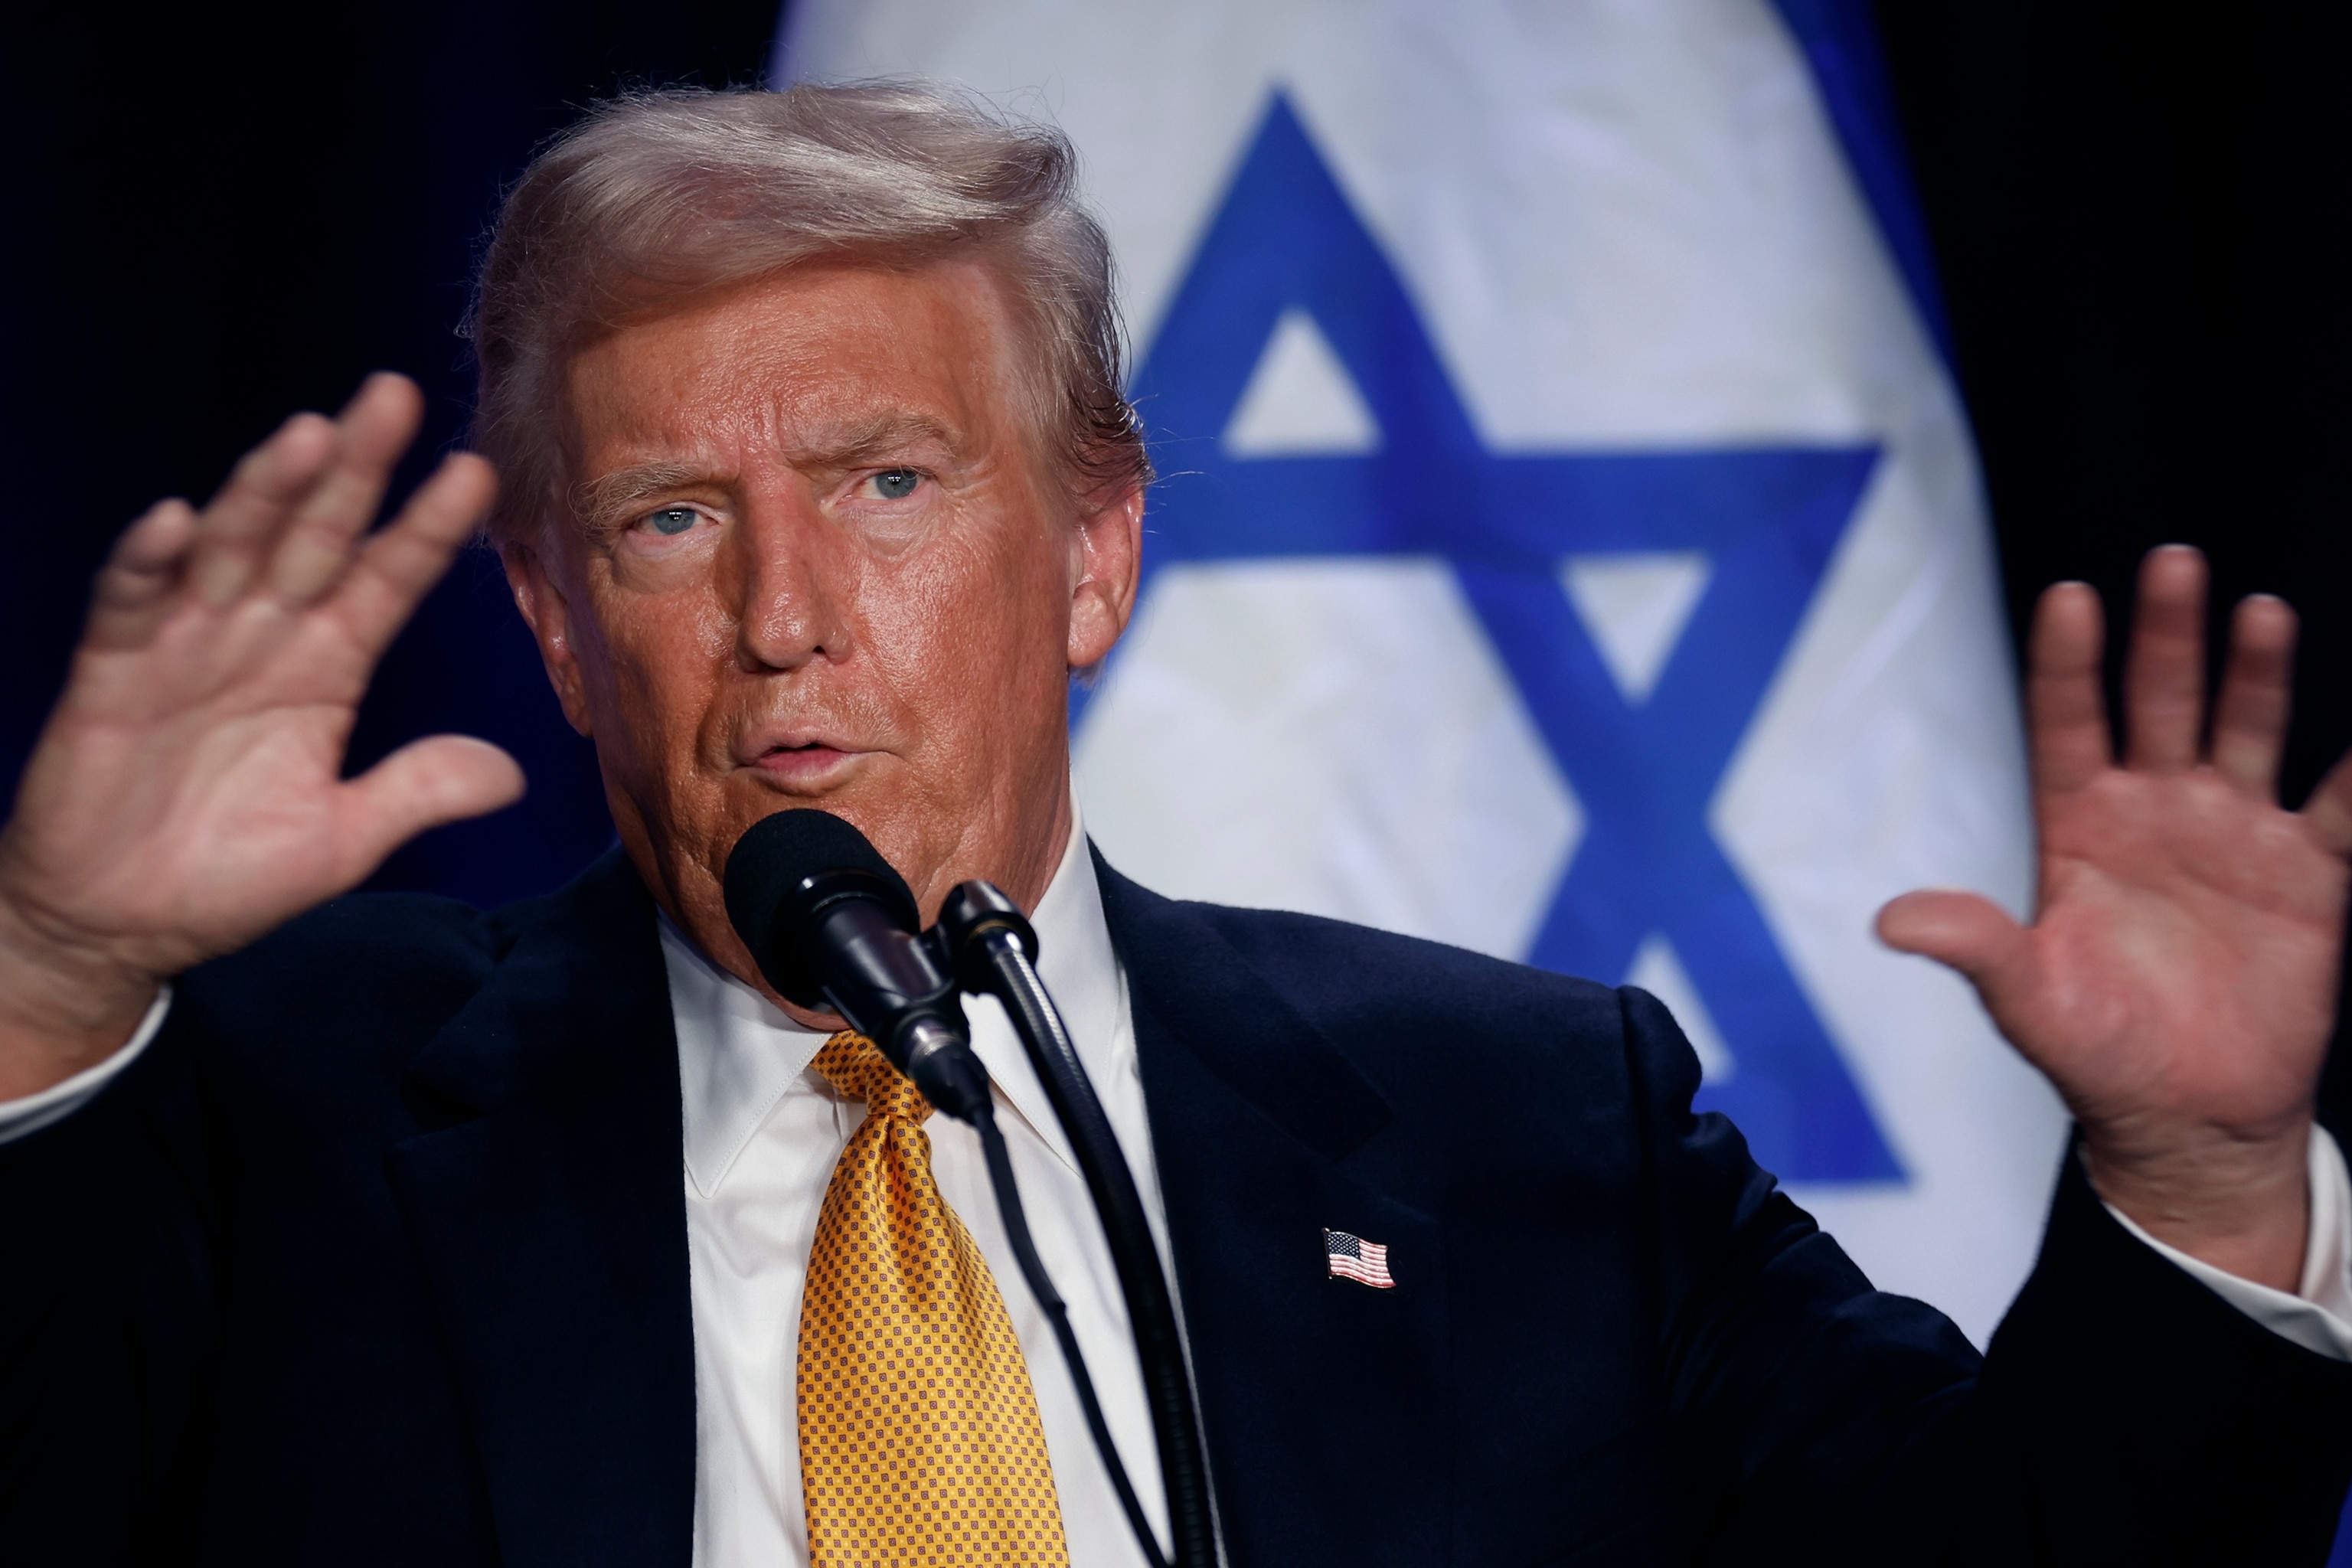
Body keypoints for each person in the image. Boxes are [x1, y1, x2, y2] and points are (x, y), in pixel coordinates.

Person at [2, 83, 2349, 1567]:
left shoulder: (1527, 1127)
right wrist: (45, 981)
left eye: (889, 486)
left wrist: (2206, 1184)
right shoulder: (269, 1111)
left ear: (1100, 550)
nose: (786, 618)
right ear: (548, 614)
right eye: (668, 520)